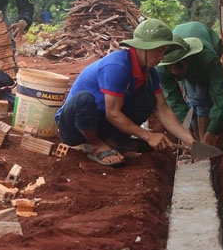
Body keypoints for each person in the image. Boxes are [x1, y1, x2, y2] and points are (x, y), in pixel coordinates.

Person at [54, 18, 199, 166]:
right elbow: (112, 113)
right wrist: (148, 136)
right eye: (159, 51)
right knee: (83, 99)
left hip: (101, 123)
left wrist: (190, 141)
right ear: (143, 48)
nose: (161, 58)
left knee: (147, 99)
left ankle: (116, 141)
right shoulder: (117, 66)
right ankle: (97, 146)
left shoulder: (150, 73)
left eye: (164, 52)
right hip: (75, 127)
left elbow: (163, 108)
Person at [156, 21, 223, 146]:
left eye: (178, 66)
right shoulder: (162, 68)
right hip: (189, 64)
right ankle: (196, 139)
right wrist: (185, 132)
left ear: (187, 58)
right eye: (170, 68)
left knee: (202, 99)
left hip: (206, 49)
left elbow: (220, 98)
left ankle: (203, 139)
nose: (174, 72)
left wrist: (212, 132)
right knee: (192, 100)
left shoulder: (208, 58)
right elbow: (174, 99)